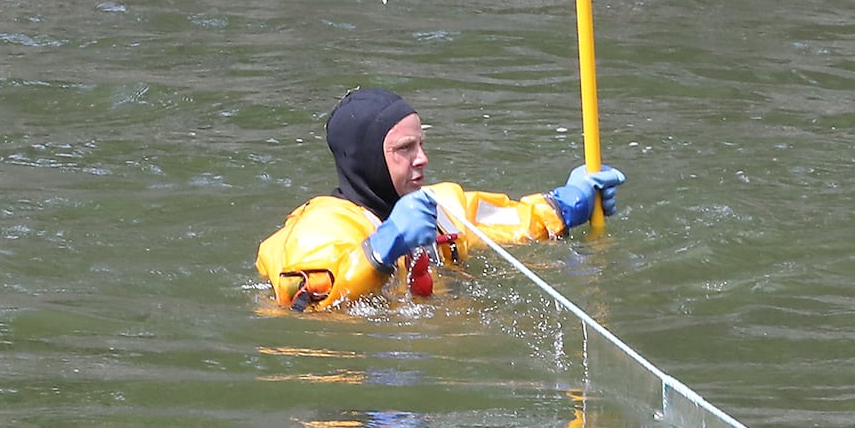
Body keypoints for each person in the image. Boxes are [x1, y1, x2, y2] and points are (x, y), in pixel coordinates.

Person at [257, 88, 625, 311]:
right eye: (404, 148)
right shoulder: (320, 226)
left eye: (421, 144)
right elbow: (305, 303)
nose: (422, 158)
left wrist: (567, 203)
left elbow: (510, 223)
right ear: (367, 158)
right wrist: (379, 251)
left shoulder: (440, 205)